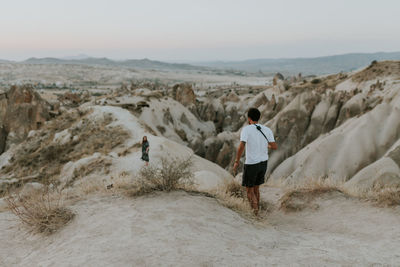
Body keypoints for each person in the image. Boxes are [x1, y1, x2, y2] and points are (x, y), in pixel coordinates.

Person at [233, 108, 277, 215]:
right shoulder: (267, 130)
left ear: (249, 118)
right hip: (263, 163)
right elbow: (274, 146)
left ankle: (255, 215)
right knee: (256, 188)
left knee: (249, 190)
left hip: (252, 163)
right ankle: (258, 211)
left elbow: (241, 146)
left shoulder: (246, 130)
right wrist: (265, 145)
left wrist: (236, 161)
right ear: (259, 117)